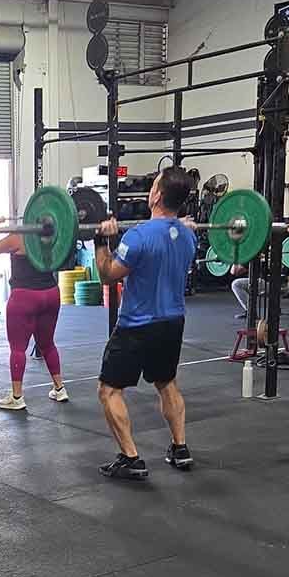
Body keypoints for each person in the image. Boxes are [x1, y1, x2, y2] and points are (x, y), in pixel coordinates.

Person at [94, 165, 198, 479]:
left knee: (109, 390)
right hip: (172, 322)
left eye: (153, 185)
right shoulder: (188, 237)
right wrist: (179, 225)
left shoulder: (138, 236)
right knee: (166, 382)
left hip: (137, 324)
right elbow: (171, 235)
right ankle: (180, 448)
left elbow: (108, 275)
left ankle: (131, 457)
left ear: (157, 195)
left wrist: (101, 241)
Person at [0, 217, 68, 410]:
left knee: (18, 348)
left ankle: (16, 397)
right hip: (51, 293)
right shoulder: (53, 237)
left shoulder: (18, 237)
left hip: (24, 297)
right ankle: (60, 388)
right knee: (47, 344)